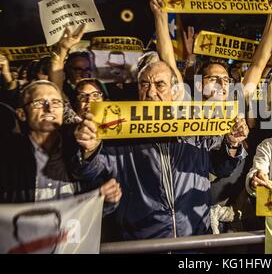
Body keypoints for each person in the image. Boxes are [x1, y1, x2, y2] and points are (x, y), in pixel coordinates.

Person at [71, 58, 249, 240]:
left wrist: (232, 144)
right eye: (144, 84)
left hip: (193, 239)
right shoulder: (118, 133)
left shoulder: (196, 127)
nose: (151, 92)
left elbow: (221, 168)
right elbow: (88, 173)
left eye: (160, 84)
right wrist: (89, 151)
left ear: (175, 91)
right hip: (143, 243)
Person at [0, 80, 121, 206]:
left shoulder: (78, 151)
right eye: (39, 102)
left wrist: (105, 200)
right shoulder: (7, 157)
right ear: (21, 114)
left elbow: (94, 207)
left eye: (56, 102)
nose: (50, 108)